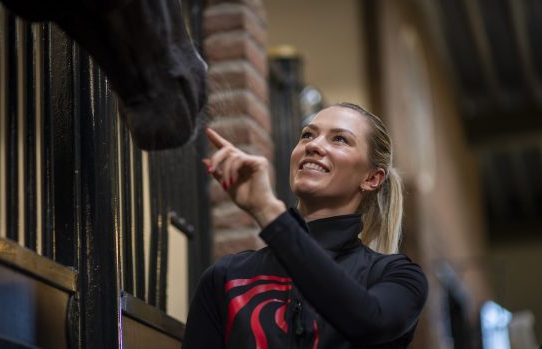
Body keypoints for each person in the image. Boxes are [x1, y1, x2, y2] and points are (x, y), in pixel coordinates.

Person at [182, 103, 428, 348]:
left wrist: (268, 211)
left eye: (340, 139)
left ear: (372, 178)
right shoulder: (227, 276)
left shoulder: (398, 276)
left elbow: (369, 322)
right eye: (308, 135)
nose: (313, 145)